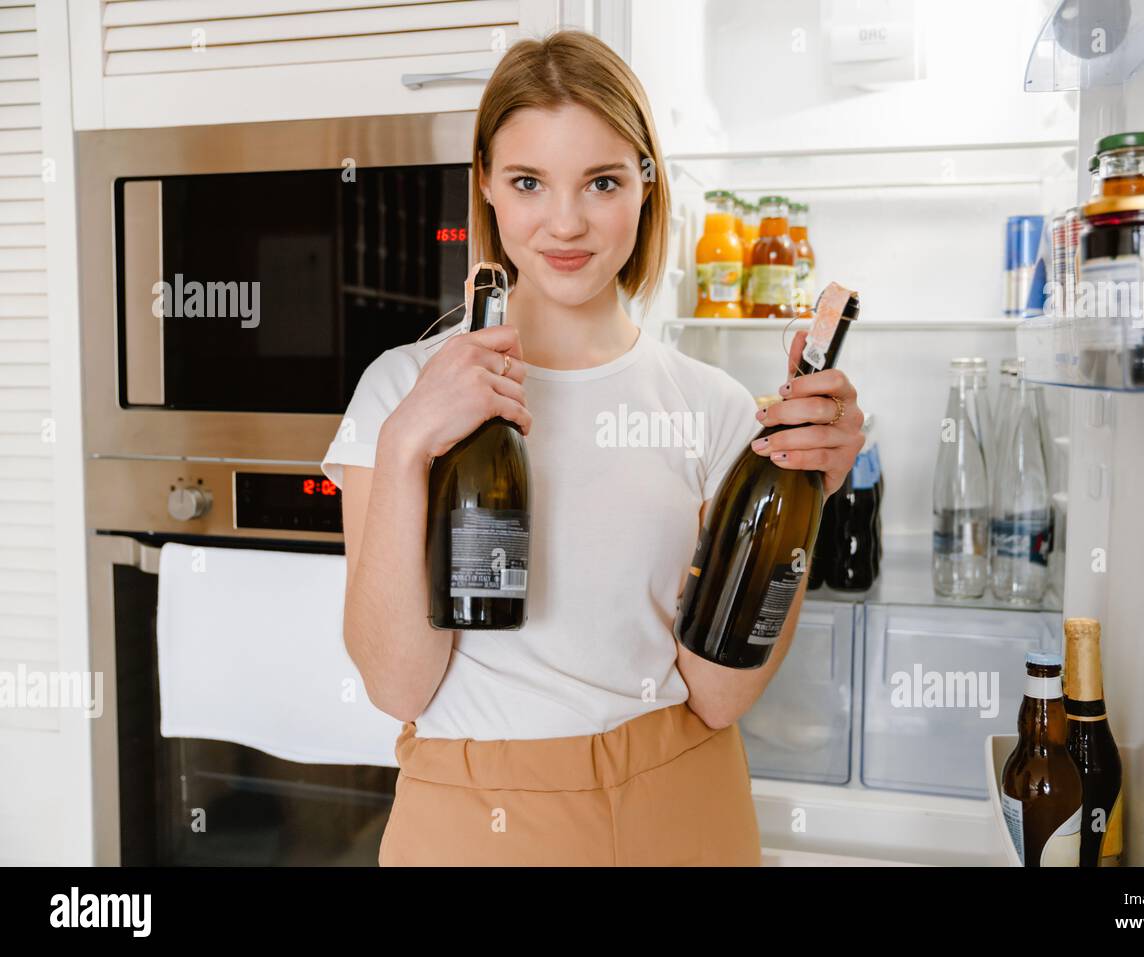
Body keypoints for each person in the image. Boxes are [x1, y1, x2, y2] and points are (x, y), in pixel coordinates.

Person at [319, 29, 865, 866]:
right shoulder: (400, 391)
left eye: (602, 181)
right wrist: (403, 449)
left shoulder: (713, 410)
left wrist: (805, 492)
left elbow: (718, 694)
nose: (565, 222)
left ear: (646, 186)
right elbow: (398, 684)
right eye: (529, 181)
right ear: (488, 191)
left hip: (680, 803)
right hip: (471, 821)